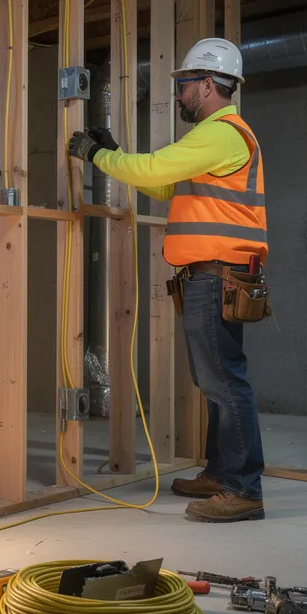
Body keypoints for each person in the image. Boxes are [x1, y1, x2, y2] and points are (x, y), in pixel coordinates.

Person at [67, 38, 268, 523]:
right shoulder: (215, 140)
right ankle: (221, 474)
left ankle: (243, 488)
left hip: (218, 275)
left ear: (206, 85)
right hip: (215, 275)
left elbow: (156, 168)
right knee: (213, 380)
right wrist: (116, 153)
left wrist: (97, 156)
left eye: (183, 86)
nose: (179, 95)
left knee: (225, 382)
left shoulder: (222, 133)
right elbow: (163, 183)